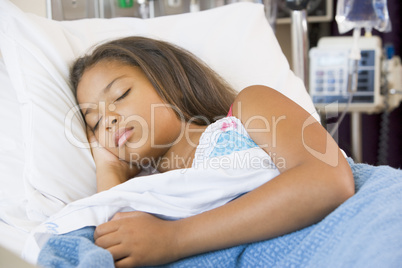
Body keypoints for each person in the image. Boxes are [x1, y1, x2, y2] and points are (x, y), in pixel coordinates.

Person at [70, 36, 355, 268]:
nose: (108, 120)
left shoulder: (248, 112)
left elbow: (328, 181)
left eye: (120, 95)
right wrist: (109, 167)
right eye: (95, 122)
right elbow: (116, 246)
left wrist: (175, 238)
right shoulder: (147, 195)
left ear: (170, 83)